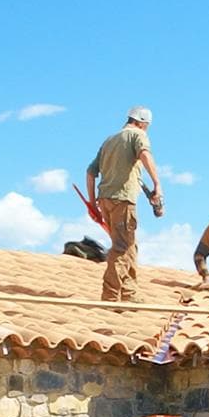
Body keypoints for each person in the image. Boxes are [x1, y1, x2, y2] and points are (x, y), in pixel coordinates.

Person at [85, 106, 164, 301]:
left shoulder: (109, 141)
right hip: (122, 199)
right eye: (146, 126)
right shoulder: (138, 135)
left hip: (105, 199)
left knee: (129, 246)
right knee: (122, 248)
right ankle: (110, 295)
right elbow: (145, 155)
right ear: (142, 123)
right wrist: (157, 184)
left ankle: (130, 293)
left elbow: (90, 172)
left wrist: (93, 205)